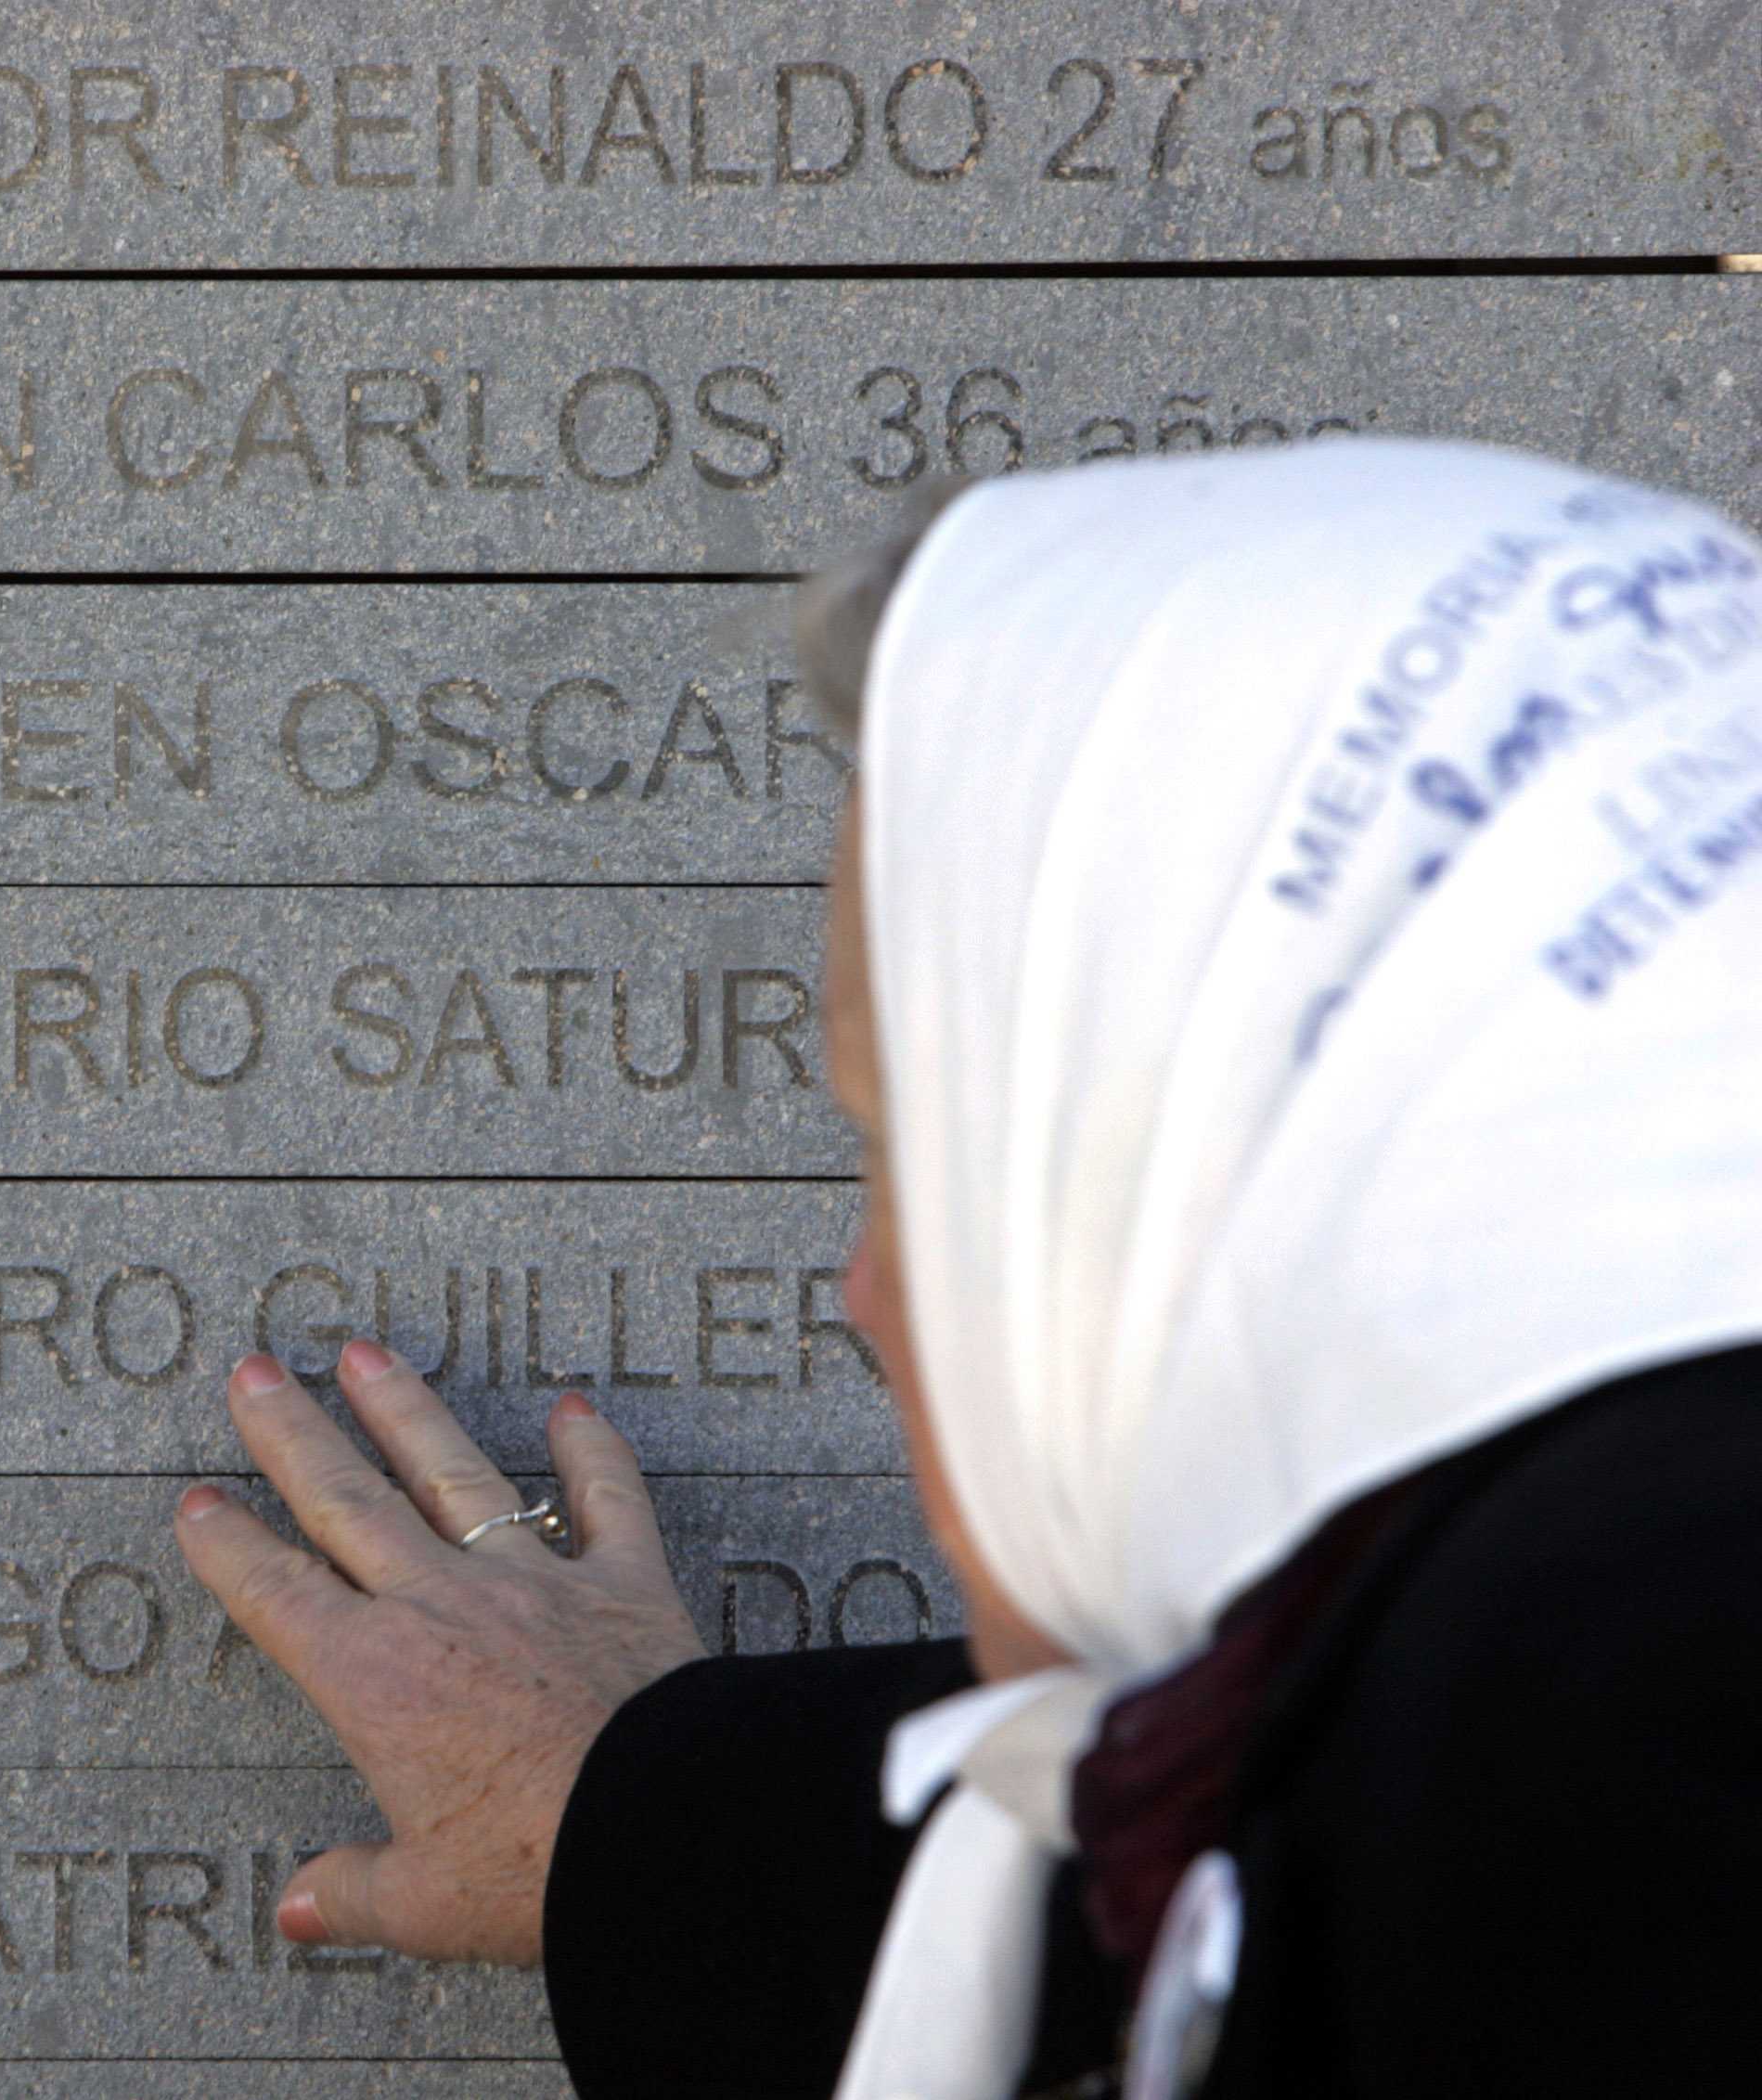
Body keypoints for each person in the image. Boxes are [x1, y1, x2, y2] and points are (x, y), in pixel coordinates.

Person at [172, 439, 1762, 2097]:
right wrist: (630, 1810)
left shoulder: (1626, 1801)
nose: (863, 1294)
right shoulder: (1543, 1743)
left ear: (1200, 1145)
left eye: (919, 1149)